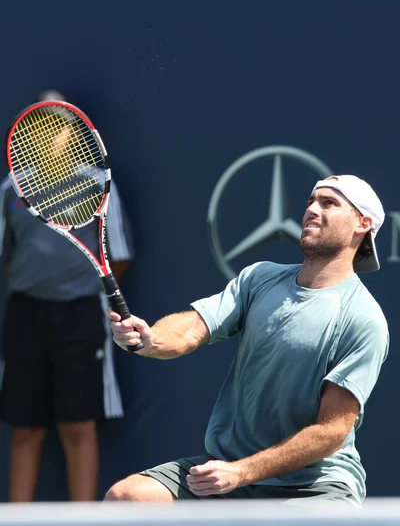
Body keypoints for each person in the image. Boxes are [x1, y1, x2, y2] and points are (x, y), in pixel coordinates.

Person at [105, 174, 389, 508]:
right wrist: (150, 339)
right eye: (312, 201)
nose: (312, 209)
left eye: (329, 203)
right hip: (228, 471)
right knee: (126, 498)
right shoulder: (259, 278)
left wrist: (241, 472)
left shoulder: (363, 318)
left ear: (362, 224)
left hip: (315, 486)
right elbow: (191, 329)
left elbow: (330, 431)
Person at [0, 90, 134, 502]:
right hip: (26, 316)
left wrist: (80, 288)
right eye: (40, 128)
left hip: (81, 318)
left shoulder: (97, 185)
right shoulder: (10, 189)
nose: (50, 135)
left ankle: (83, 521)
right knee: (26, 428)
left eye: (59, 127)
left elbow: (120, 256)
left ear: (73, 134)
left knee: (79, 427)